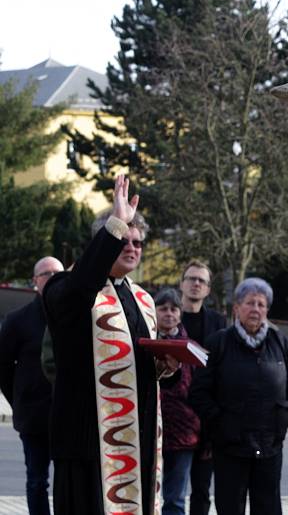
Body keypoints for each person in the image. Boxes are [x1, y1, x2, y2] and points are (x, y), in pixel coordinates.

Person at [43, 174, 178, 515]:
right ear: (103, 242)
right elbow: (81, 287)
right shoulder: (65, 287)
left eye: (138, 242)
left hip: (136, 443)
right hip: (89, 443)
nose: (132, 247)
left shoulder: (143, 299)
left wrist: (166, 367)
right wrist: (116, 221)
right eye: (124, 239)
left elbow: (143, 361)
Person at [190, 277, 288, 515]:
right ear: (236, 308)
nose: (256, 309)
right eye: (250, 303)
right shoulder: (219, 342)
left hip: (270, 447)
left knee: (268, 509)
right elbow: (199, 393)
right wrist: (221, 423)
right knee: (231, 507)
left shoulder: (279, 341)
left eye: (261, 305)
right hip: (231, 448)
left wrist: (286, 414)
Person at [0, 256, 64, 515]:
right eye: (45, 274)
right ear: (35, 281)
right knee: (37, 480)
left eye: (56, 274)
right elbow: (3, 366)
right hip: (34, 416)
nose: (51, 278)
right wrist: (19, 401)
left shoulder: (77, 316)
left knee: (67, 481)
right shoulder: (18, 319)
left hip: (68, 416)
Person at [179, 260, 226, 515]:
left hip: (204, 417)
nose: (196, 284)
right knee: (169, 488)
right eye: (191, 279)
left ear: (208, 289)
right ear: (181, 284)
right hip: (172, 414)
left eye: (202, 281)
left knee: (201, 488)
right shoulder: (166, 315)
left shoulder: (219, 323)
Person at [155, 288, 202, 515]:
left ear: (180, 314)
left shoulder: (191, 348)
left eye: (174, 309)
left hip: (182, 433)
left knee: (175, 500)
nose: (168, 314)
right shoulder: (143, 343)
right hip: (150, 433)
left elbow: (199, 389)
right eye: (162, 308)